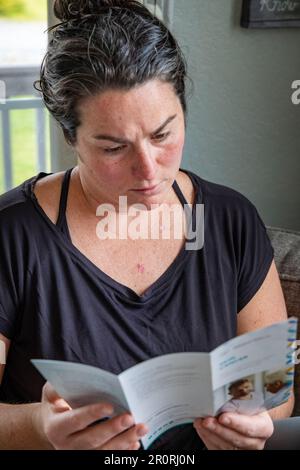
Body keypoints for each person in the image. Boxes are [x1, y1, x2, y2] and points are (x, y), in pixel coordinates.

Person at [0, 0, 294, 451]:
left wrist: (256, 420)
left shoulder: (230, 219)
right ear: (70, 137)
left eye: (163, 134)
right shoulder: (13, 235)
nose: (149, 169)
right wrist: (41, 426)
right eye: (114, 148)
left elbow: (274, 393)